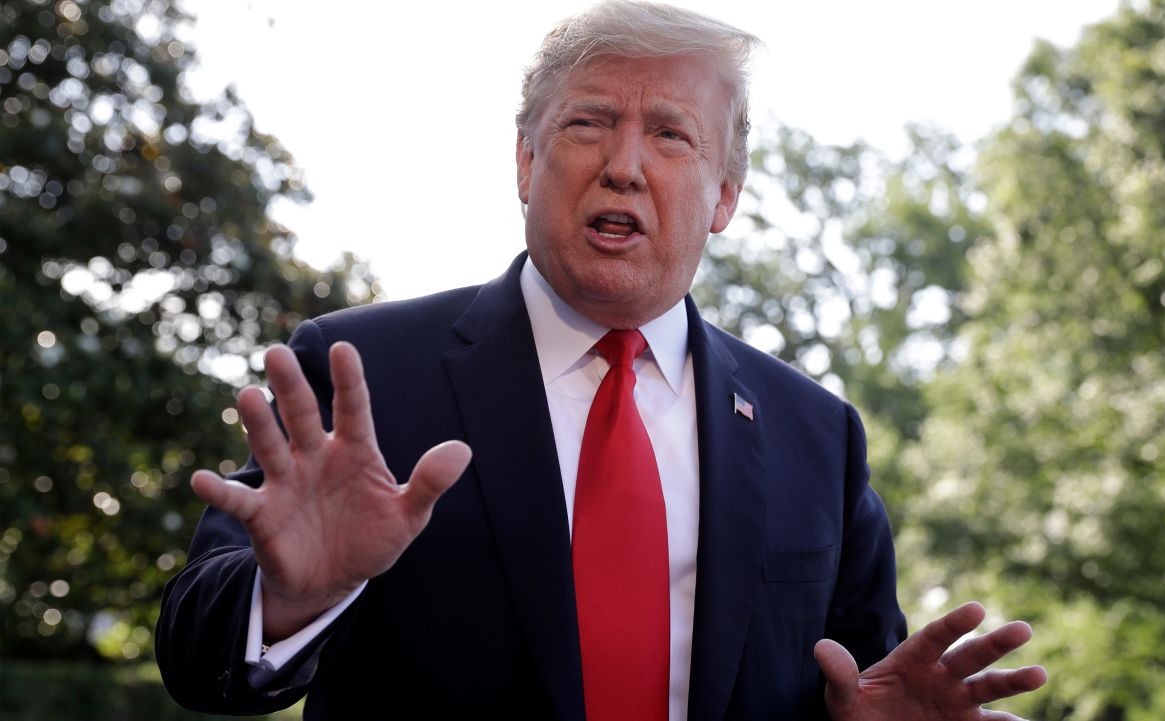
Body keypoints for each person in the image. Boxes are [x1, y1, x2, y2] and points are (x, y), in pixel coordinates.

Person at [156, 2, 1047, 719]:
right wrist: (291, 599)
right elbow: (199, 664)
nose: (623, 165)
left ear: (725, 196)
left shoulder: (818, 432)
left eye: (670, 135)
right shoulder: (363, 374)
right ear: (525, 160)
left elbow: (864, 684)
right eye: (589, 123)